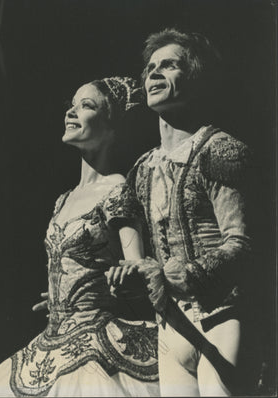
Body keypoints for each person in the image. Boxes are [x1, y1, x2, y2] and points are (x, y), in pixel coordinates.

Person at [0, 77, 159, 397]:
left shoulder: (117, 190)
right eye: (72, 104)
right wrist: (63, 291)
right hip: (51, 338)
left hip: (93, 341)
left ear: (112, 127)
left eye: (87, 106)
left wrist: (106, 286)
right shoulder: (64, 199)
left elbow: (137, 271)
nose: (71, 112)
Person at [108, 28, 252, 396]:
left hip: (221, 319)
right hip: (171, 329)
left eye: (168, 66)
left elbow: (242, 243)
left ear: (195, 79)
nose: (154, 73)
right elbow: (127, 240)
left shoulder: (218, 149)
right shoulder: (142, 168)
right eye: (151, 67)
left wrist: (182, 275)